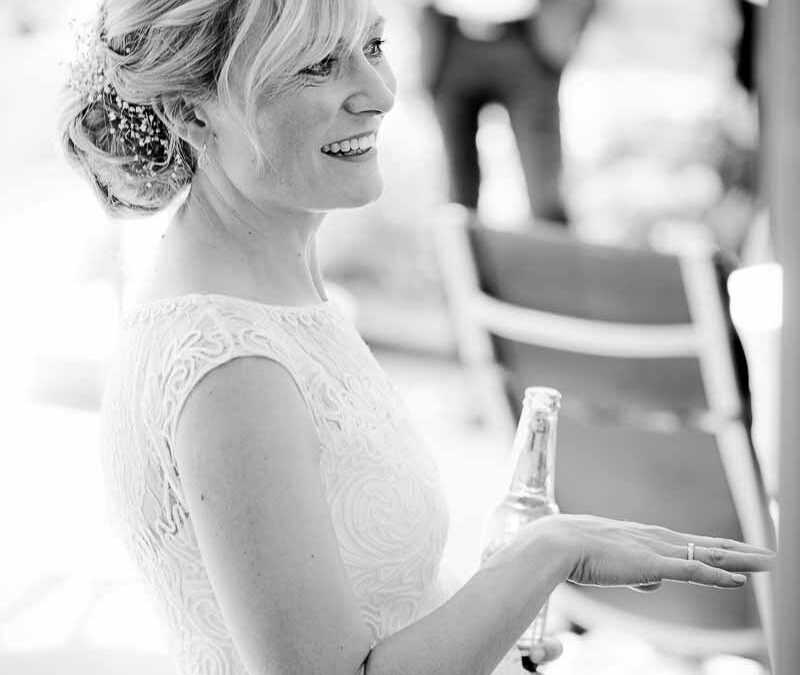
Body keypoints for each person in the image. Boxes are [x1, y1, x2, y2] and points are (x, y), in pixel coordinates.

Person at [58, 2, 774, 674]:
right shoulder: (234, 370)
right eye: (318, 65)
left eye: (372, 45)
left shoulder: (276, 294)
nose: (379, 93)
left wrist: (490, 619)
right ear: (192, 111)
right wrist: (546, 554)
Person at [417, 0, 596, 224]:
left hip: (529, 39)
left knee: (546, 198)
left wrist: (569, 28)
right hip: (449, 39)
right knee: (457, 199)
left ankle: (552, 246)